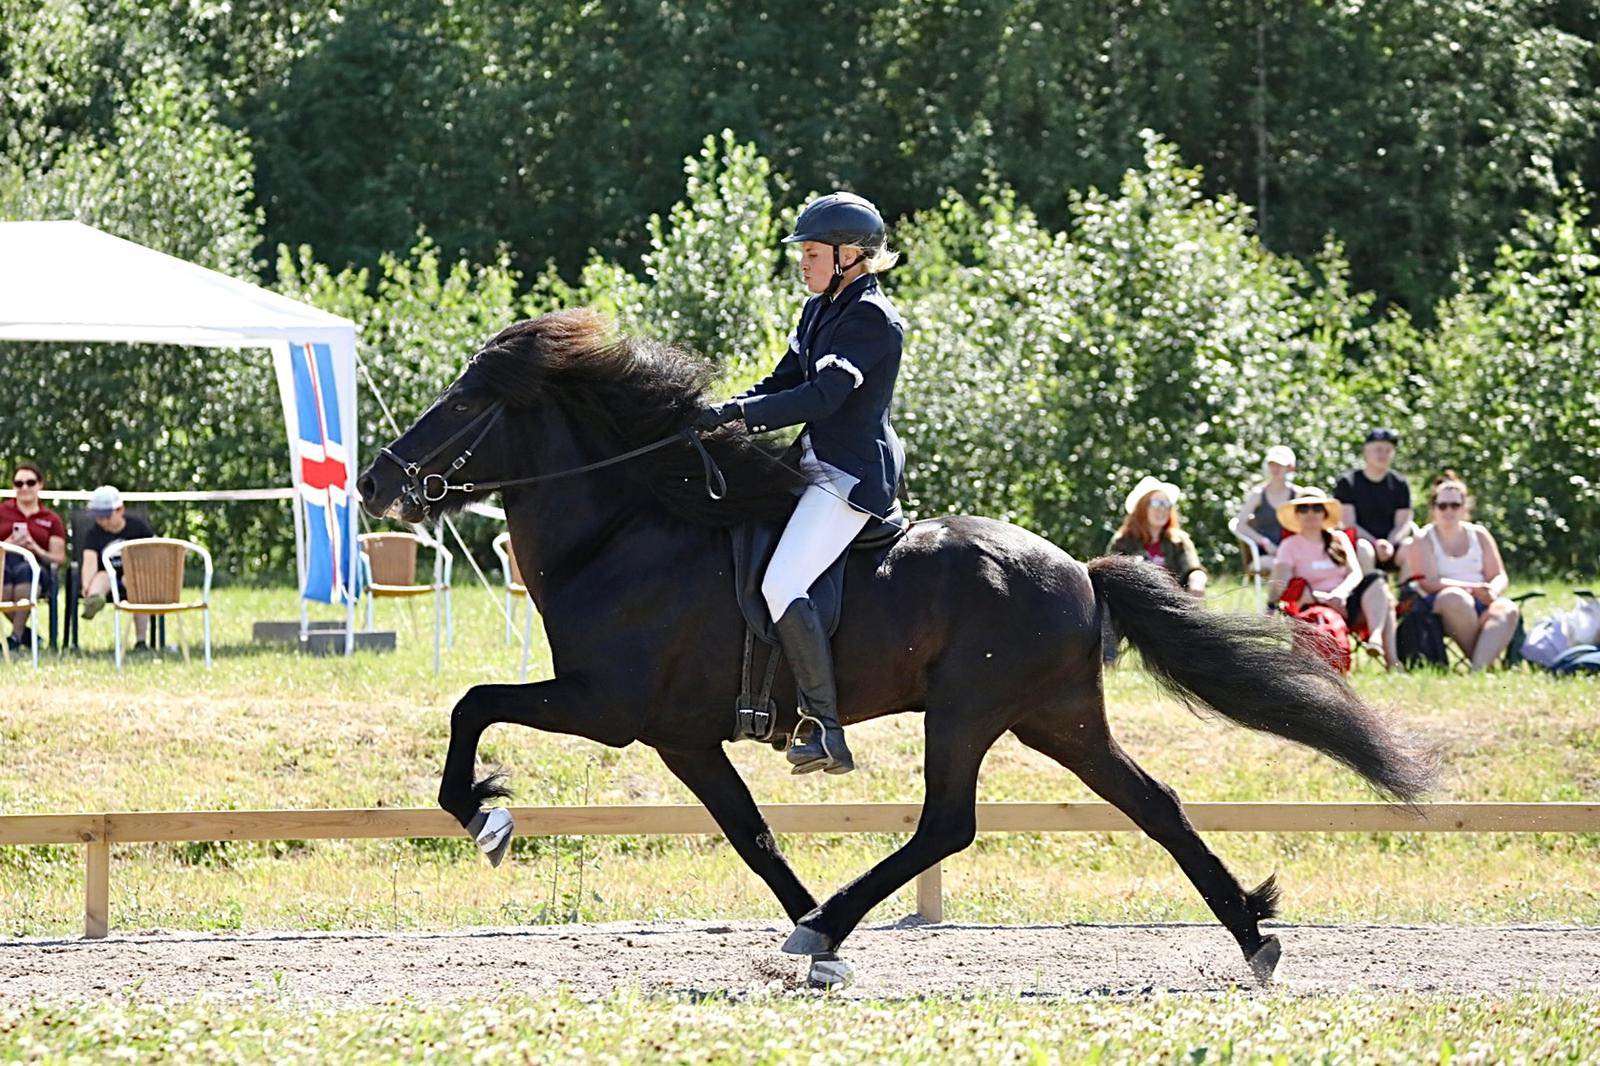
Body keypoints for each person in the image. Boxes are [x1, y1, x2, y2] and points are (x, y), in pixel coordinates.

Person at [693, 191, 905, 775]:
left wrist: (740, 417)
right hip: (812, 461)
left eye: (812, 253)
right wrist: (725, 410)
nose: (803, 263)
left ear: (850, 256)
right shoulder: (819, 311)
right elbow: (783, 380)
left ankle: (825, 726)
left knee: (784, 582)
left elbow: (823, 396)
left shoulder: (869, 319)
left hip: (850, 474)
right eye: (803, 253)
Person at [1268, 487, 1399, 669]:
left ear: (1325, 513)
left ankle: (1378, 642)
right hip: (1313, 606)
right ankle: (1383, 658)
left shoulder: (1338, 538)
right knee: (1387, 604)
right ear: (1297, 515)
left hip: (1346, 601)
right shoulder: (1289, 546)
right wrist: (1271, 606)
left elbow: (1356, 573)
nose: (1311, 513)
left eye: (1317, 508)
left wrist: (1340, 594)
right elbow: (1280, 580)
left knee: (1377, 581)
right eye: (1304, 508)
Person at [1410, 472, 1519, 671]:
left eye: (1455, 505)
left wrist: (1491, 592)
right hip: (1442, 603)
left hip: (1482, 601)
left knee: (1508, 608)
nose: (1448, 511)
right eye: (1442, 505)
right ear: (1433, 508)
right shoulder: (1424, 537)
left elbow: (1499, 575)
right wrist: (1471, 588)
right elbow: (1428, 582)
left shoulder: (1479, 534)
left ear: (1464, 508)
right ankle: (1483, 663)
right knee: (1456, 597)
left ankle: (1478, 668)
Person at [78, 485, 157, 648]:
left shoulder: (138, 528)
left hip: (135, 575)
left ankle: (141, 640)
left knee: (135, 583)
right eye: (98, 517)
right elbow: (89, 561)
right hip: (108, 574)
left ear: (120, 510)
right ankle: (94, 599)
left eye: (106, 516)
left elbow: (155, 552)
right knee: (102, 577)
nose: (102, 521)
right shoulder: (94, 533)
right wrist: (86, 584)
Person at [1, 461, 67, 649]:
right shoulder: (2, 512)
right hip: (4, 563)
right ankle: (24, 635)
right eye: (18, 483)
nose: (24, 488)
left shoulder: (51, 519)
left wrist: (35, 548)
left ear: (40, 484)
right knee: (4, 575)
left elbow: (58, 557)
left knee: (25, 572)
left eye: (30, 482)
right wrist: (8, 544)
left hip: (36, 567)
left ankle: (15, 637)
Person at [1107, 475, 1207, 597]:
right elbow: (1110, 578)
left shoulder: (1179, 541)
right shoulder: (1123, 541)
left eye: (1166, 504)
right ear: (1142, 508)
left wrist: (1197, 580)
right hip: (1134, 607)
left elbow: (1193, 568)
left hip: (1174, 606)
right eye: (1156, 503)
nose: (1162, 509)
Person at [1334, 428, 1415, 574]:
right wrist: (1375, 543)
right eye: (1378, 449)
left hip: (1392, 544)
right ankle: (1368, 591)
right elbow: (1348, 523)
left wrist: (1389, 544)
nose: (1383, 454)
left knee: (1411, 546)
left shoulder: (1400, 484)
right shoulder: (1348, 482)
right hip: (1361, 544)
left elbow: (1403, 523)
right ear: (1366, 451)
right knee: (1364, 548)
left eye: (1388, 450)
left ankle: (1408, 594)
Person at [1228, 445, 1301, 574]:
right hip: (1265, 555)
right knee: (1281, 567)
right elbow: (1240, 525)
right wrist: (1264, 542)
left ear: (1290, 468)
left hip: (1295, 552)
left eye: (1280, 465)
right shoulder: (1258, 494)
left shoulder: (1298, 494)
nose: (1275, 468)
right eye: (1272, 464)